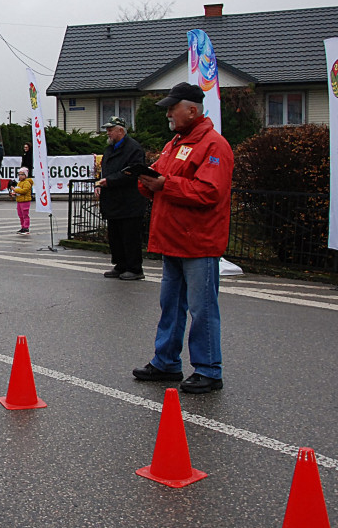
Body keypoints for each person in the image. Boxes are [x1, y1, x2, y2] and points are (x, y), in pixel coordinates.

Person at [131, 82, 234, 395]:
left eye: (172, 108)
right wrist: (145, 182)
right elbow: (161, 179)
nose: (168, 114)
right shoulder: (175, 143)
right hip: (172, 239)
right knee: (171, 306)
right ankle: (166, 361)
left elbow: (209, 191)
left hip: (198, 242)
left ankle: (208, 369)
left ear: (192, 110)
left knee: (202, 309)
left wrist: (164, 184)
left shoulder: (214, 145)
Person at [95, 115, 147, 280]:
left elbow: (132, 171)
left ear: (120, 130)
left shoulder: (133, 148)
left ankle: (135, 268)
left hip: (129, 201)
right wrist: (100, 185)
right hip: (113, 200)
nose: (108, 133)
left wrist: (109, 181)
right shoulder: (110, 148)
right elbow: (105, 170)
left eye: (110, 130)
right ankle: (120, 264)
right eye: (107, 130)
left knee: (130, 236)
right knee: (115, 235)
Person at [9, 167, 33, 234]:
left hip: (25, 201)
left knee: (25, 215)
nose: (20, 176)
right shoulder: (19, 183)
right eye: (19, 174)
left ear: (25, 175)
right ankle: (23, 227)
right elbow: (19, 192)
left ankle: (26, 228)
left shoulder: (27, 183)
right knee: (20, 215)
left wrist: (15, 190)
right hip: (19, 200)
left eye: (22, 174)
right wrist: (14, 194)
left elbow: (24, 191)